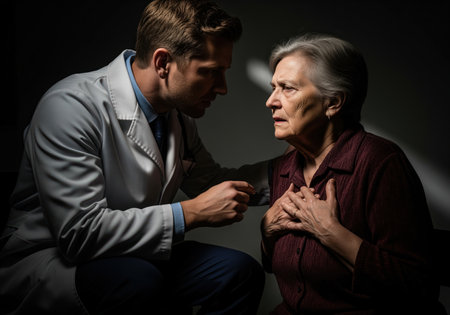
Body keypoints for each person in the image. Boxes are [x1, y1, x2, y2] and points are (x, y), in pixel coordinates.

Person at [0, 1, 271, 314]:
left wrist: (293, 166)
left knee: (238, 272)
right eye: (210, 73)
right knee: (137, 281)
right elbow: (79, 234)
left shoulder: (178, 118)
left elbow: (210, 182)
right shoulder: (70, 106)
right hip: (55, 261)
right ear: (162, 63)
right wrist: (189, 214)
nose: (222, 88)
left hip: (135, 253)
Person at [260, 33, 446, 314]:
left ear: (333, 102)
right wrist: (266, 232)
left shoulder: (380, 162)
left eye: (287, 88)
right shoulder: (284, 169)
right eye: (273, 87)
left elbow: (417, 285)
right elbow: (277, 265)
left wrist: (331, 234)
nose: (270, 101)